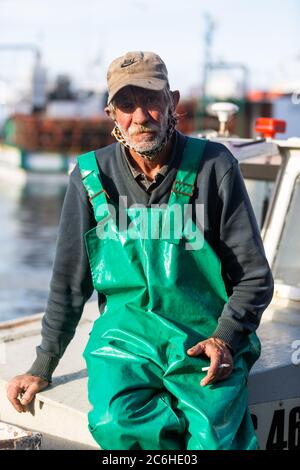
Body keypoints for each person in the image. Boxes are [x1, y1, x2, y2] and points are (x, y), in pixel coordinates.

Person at [7, 51, 274, 450]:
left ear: (173, 103)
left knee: (214, 437)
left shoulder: (215, 166)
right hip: (123, 342)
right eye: (126, 105)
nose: (140, 116)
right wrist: (42, 365)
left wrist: (225, 337)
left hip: (203, 340)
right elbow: (68, 285)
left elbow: (254, 276)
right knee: (116, 422)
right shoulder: (89, 177)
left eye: (151, 100)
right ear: (111, 113)